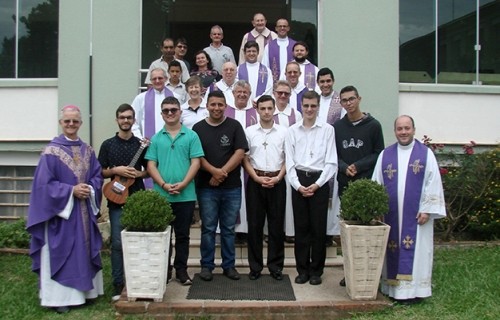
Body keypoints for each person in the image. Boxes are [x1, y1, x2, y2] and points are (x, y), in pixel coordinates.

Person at [27, 105, 104, 314]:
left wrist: (89, 187)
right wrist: (71, 191)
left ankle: (85, 293)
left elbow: (97, 176)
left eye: (75, 121)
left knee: (84, 250)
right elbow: (43, 186)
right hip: (61, 215)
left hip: (84, 213)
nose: (71, 124)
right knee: (63, 251)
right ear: (61, 123)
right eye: (67, 121)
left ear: (80, 123)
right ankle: (59, 298)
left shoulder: (88, 150)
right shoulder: (50, 152)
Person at [372, 115, 446, 302]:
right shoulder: (385, 155)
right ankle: (392, 289)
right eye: (399, 129)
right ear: (395, 131)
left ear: (414, 129)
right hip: (391, 217)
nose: (403, 132)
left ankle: (415, 292)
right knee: (392, 248)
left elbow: (433, 182)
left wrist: (427, 209)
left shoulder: (425, 154)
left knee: (418, 251)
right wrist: (377, 209)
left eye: (407, 128)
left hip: (417, 217)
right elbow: (377, 183)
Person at [145, 96, 204, 285]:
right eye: (166, 110)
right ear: (162, 114)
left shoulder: (191, 136)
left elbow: (196, 162)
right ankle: (164, 271)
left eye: (173, 110)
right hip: (162, 195)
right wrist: (163, 184)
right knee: (163, 236)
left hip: (185, 195)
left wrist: (184, 183)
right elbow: (151, 165)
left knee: (183, 236)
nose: (170, 113)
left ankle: (181, 271)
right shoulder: (156, 138)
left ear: (180, 112)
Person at [192, 90, 249, 282]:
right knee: (208, 228)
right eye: (213, 104)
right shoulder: (198, 129)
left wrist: (221, 173)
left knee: (228, 229)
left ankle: (229, 266)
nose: (216, 108)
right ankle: (207, 266)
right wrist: (213, 172)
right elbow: (197, 156)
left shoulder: (234, 126)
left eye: (220, 105)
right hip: (206, 187)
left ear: (226, 106)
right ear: (207, 106)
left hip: (231, 187)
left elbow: (240, 152)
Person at [285, 91, 338, 286]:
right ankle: (302, 270)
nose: (309, 109)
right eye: (306, 105)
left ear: (318, 107)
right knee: (301, 229)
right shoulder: (292, 131)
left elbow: (331, 162)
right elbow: (289, 162)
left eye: (313, 106)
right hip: (298, 180)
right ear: (301, 106)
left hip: (319, 182)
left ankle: (316, 270)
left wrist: (316, 185)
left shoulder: (327, 130)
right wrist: (298, 186)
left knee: (318, 228)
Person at [97, 103, 148, 301]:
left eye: (129, 117)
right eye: (122, 117)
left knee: (139, 241)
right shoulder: (108, 145)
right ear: (117, 120)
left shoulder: (141, 145)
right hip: (116, 200)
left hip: (137, 198)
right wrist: (116, 171)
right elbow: (101, 171)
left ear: (134, 120)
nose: (125, 120)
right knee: (117, 243)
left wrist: (139, 173)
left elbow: (149, 169)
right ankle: (118, 284)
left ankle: (138, 281)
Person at [243, 95, 287, 281]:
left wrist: (278, 177)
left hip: (277, 180)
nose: (267, 112)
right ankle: (255, 267)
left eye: (270, 108)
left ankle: (275, 267)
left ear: (274, 109)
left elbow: (288, 158)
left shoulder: (284, 132)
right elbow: (244, 158)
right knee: (255, 225)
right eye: (263, 108)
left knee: (276, 226)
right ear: (257, 110)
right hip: (255, 181)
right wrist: (256, 177)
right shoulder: (249, 131)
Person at [272, 80, 302, 244]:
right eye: (280, 92)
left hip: (289, 161)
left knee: (289, 198)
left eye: (286, 93)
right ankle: (271, 231)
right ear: (274, 93)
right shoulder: (268, 110)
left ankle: (289, 231)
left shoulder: (295, 114)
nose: (283, 96)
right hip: (272, 161)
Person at [132, 68, 174, 139]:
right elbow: (133, 120)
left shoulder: (175, 97)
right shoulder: (141, 98)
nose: (157, 81)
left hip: (171, 141)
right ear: (150, 80)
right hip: (147, 142)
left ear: (166, 79)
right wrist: (139, 138)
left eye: (160, 78)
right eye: (154, 79)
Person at [262, 18, 296, 83]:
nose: (282, 28)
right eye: (280, 26)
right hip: (274, 85)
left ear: (288, 28)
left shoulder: (295, 46)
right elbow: (265, 67)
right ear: (276, 28)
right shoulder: (269, 46)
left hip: (292, 83)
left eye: (284, 26)